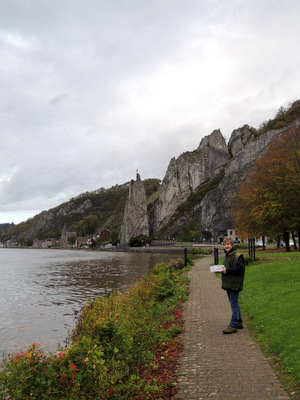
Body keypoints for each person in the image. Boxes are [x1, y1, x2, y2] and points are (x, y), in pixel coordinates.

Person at [220, 237, 245, 334]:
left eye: (228, 244)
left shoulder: (237, 256)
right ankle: (239, 321)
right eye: (225, 244)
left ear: (232, 245)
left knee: (234, 303)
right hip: (228, 283)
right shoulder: (227, 256)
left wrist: (227, 270)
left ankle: (233, 325)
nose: (226, 246)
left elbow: (241, 269)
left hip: (235, 284)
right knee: (234, 303)